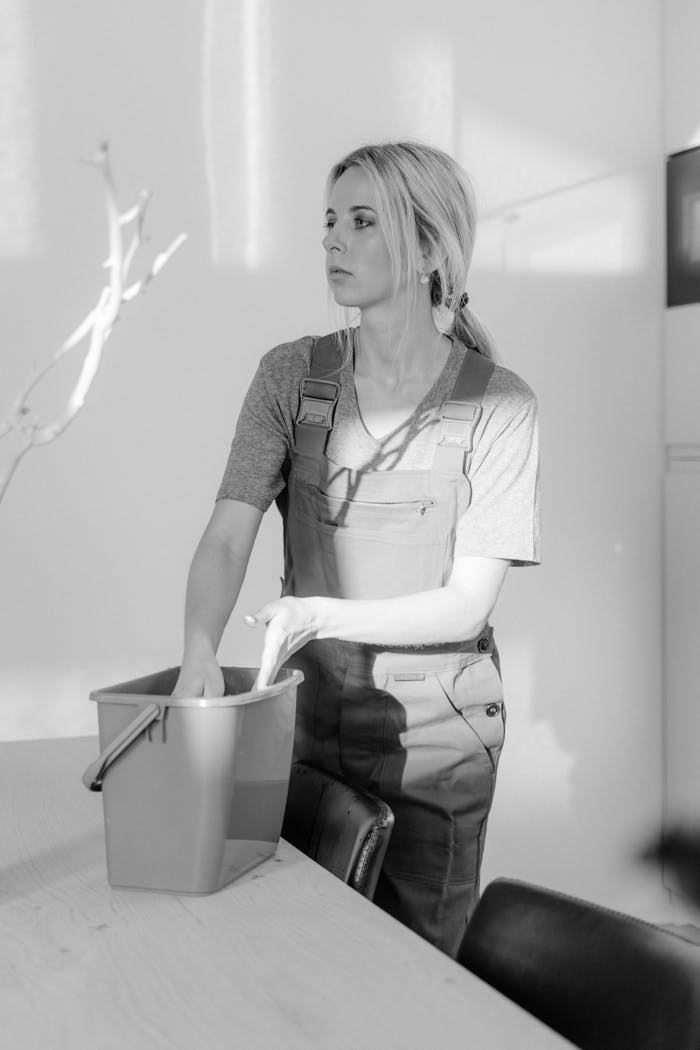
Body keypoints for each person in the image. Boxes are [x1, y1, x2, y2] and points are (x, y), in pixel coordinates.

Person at [173, 141, 540, 958]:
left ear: (430, 251)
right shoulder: (290, 378)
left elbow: (468, 602)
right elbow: (228, 533)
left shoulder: (499, 405)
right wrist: (199, 645)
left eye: (363, 221)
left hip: (437, 737)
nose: (333, 241)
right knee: (297, 954)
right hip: (305, 718)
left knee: (413, 969)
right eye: (329, 221)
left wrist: (319, 612)